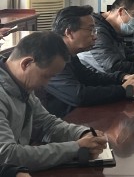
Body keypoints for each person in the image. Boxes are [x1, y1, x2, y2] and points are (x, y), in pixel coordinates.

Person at [0, 32, 107, 171]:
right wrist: (76, 147)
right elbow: (7, 156)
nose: (47, 84)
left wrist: (81, 134)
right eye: (46, 76)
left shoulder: (22, 86)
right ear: (26, 63)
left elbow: (47, 124)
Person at [44, 5, 134, 117]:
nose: (95, 37)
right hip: (63, 121)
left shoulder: (68, 54)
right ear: (69, 33)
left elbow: (91, 78)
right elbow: (79, 96)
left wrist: (121, 77)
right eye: (90, 30)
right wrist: (123, 90)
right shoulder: (51, 57)